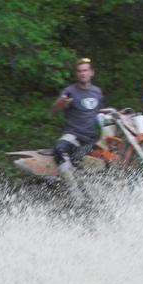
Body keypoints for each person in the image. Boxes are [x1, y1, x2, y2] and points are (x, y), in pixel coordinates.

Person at [51, 58, 103, 188]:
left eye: (85, 70)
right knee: (59, 149)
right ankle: (74, 191)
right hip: (73, 134)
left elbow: (102, 113)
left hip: (91, 137)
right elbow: (54, 109)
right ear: (76, 74)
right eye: (79, 71)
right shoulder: (70, 91)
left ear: (92, 72)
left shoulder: (97, 92)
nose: (82, 73)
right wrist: (61, 103)